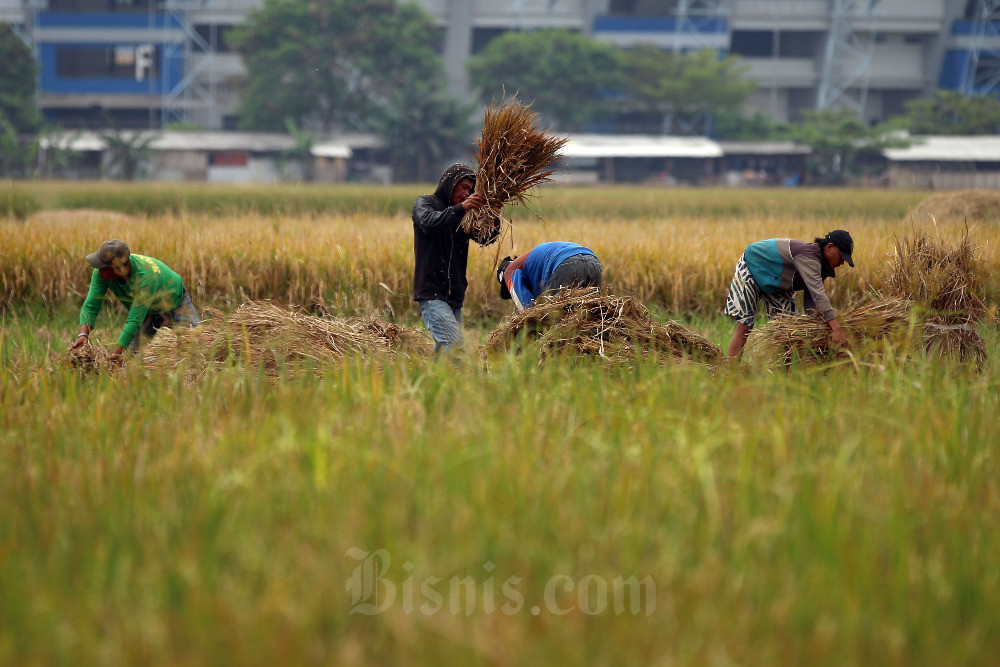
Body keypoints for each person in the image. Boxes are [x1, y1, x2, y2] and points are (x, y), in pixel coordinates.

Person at [724, 230, 855, 361]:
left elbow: (812, 301)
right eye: (841, 256)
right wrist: (836, 328)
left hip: (777, 281)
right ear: (829, 247)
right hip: (752, 265)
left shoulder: (822, 268)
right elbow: (818, 294)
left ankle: (784, 373)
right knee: (745, 325)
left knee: (787, 332)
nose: (842, 262)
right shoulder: (809, 257)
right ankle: (731, 370)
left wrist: (818, 326)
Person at [412, 163, 500, 352]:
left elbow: (485, 238)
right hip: (432, 293)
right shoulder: (426, 202)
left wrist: (493, 216)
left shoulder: (463, 214)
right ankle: (453, 381)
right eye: (464, 187)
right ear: (450, 183)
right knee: (454, 346)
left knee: (445, 353)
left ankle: (437, 382)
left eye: (470, 189)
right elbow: (428, 222)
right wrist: (462, 208)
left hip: (455, 295)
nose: (467, 193)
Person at [68, 239, 200, 358]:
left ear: (119, 269)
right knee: (136, 357)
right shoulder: (100, 274)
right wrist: (83, 335)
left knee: (196, 345)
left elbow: (134, 320)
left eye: (103, 267)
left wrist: (114, 356)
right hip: (147, 312)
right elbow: (91, 305)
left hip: (175, 301)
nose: (98, 270)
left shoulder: (146, 277)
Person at [496, 241, 602, 311]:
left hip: (565, 264)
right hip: (592, 262)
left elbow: (527, 308)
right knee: (591, 313)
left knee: (554, 318)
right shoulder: (530, 263)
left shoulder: (508, 272)